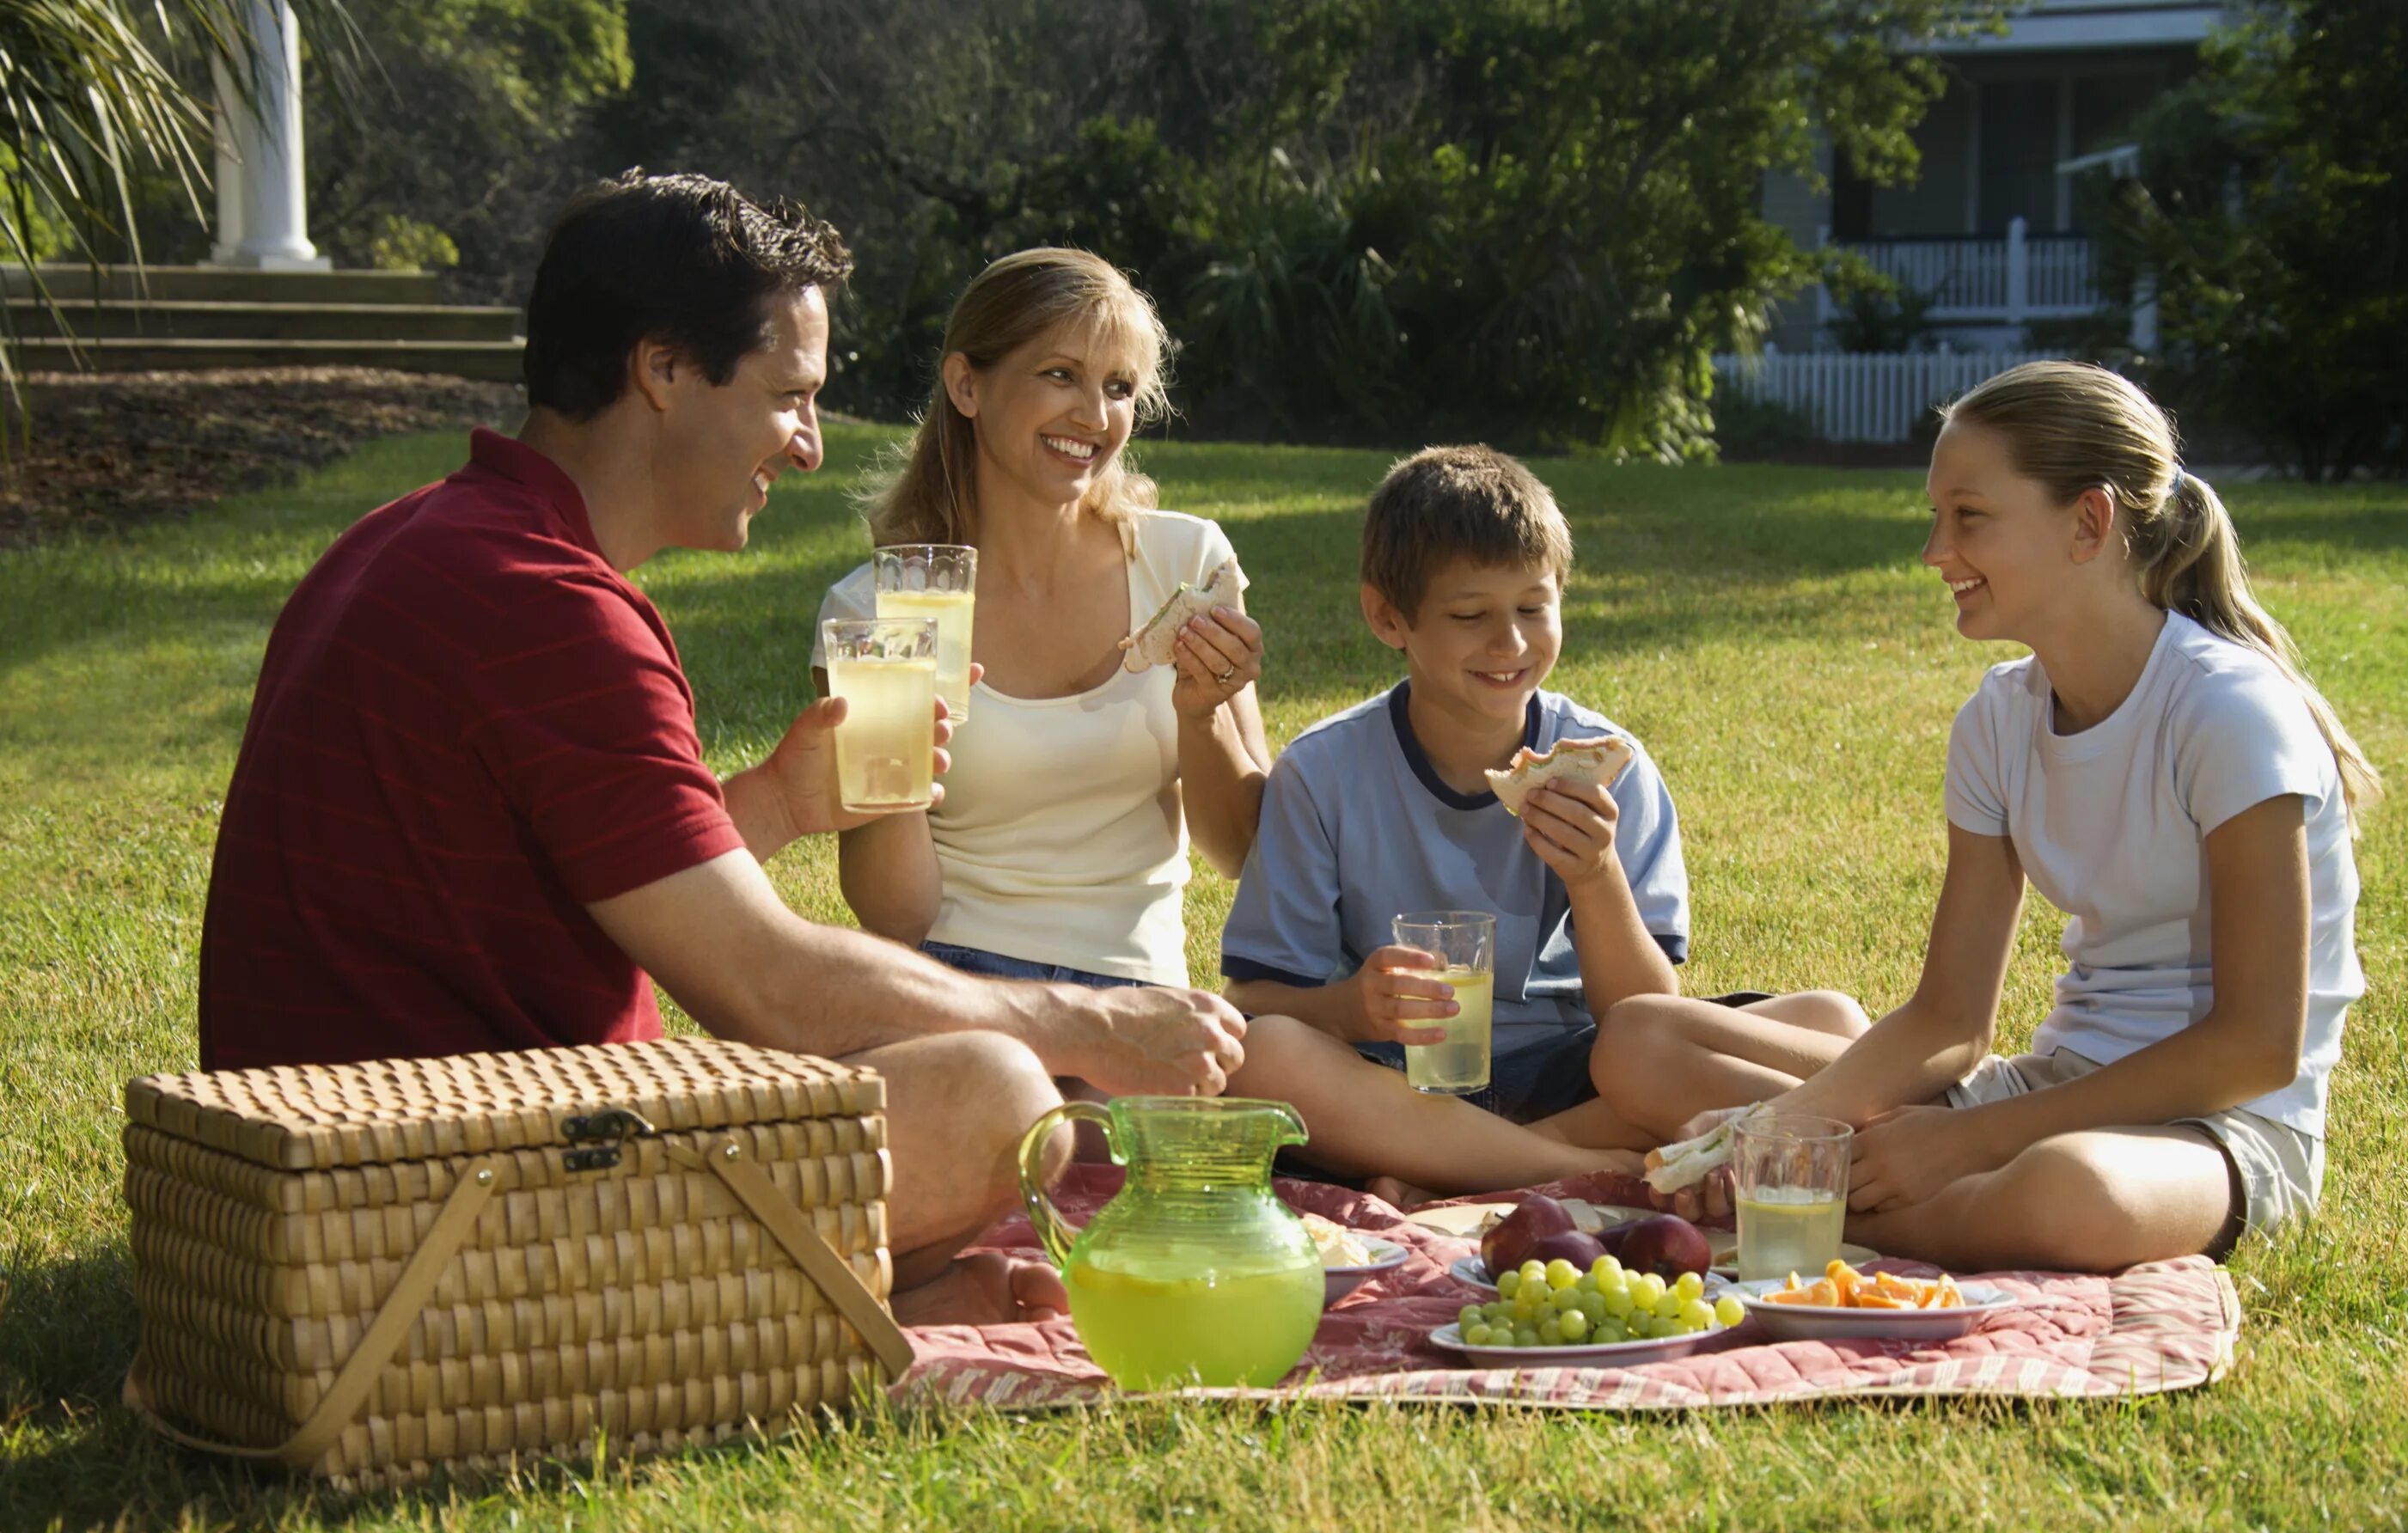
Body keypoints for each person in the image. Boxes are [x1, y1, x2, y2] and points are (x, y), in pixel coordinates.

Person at [197, 173, 1245, 1325]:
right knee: (995, 1090)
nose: (805, 448)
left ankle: (858, 1293)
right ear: (661, 371)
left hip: (314, 1183)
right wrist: (1097, 1026)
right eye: (790, 396)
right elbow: (772, 989)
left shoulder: (413, 539)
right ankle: (776, 1306)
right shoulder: (550, 612)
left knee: (957, 1085)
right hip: (433, 1201)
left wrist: (783, 802)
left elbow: (552, 895)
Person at [1646, 361, 2376, 1272]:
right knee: (1647, 1043)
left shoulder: (2229, 712)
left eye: (1969, 517)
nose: (1934, 551)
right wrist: (1784, 1123)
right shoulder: (1998, 718)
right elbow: (1951, 1019)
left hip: (2224, 1127)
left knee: (2074, 1197)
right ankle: (1817, 1194)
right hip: (2055, 1091)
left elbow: (2259, 1047)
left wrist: (1962, 1145)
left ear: (2090, 522)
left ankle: (1810, 1215)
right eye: (1937, 518)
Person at [1216, 444, 1837, 1199]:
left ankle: (1457, 1168)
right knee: (1264, 1056)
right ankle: (1583, 1170)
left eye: (1533, 608)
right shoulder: (1322, 774)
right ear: (1388, 617)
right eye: (1470, 615)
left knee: (1829, 1019)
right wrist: (1349, 1009)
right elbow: (1254, 997)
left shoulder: (1611, 767)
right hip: (1396, 1076)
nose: (1509, 644)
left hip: (1568, 1067)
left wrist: (1595, 874)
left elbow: (1645, 1013)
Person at [813, 248, 1269, 991]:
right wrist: (889, 761)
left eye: (1118, 387)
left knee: (1096, 1105)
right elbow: (895, 919)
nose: (1093, 417)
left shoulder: (1185, 562)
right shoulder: (877, 609)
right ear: (967, 384)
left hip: (1135, 991)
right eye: (1060, 374)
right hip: (954, 984)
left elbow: (1244, 852)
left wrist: (1204, 712)